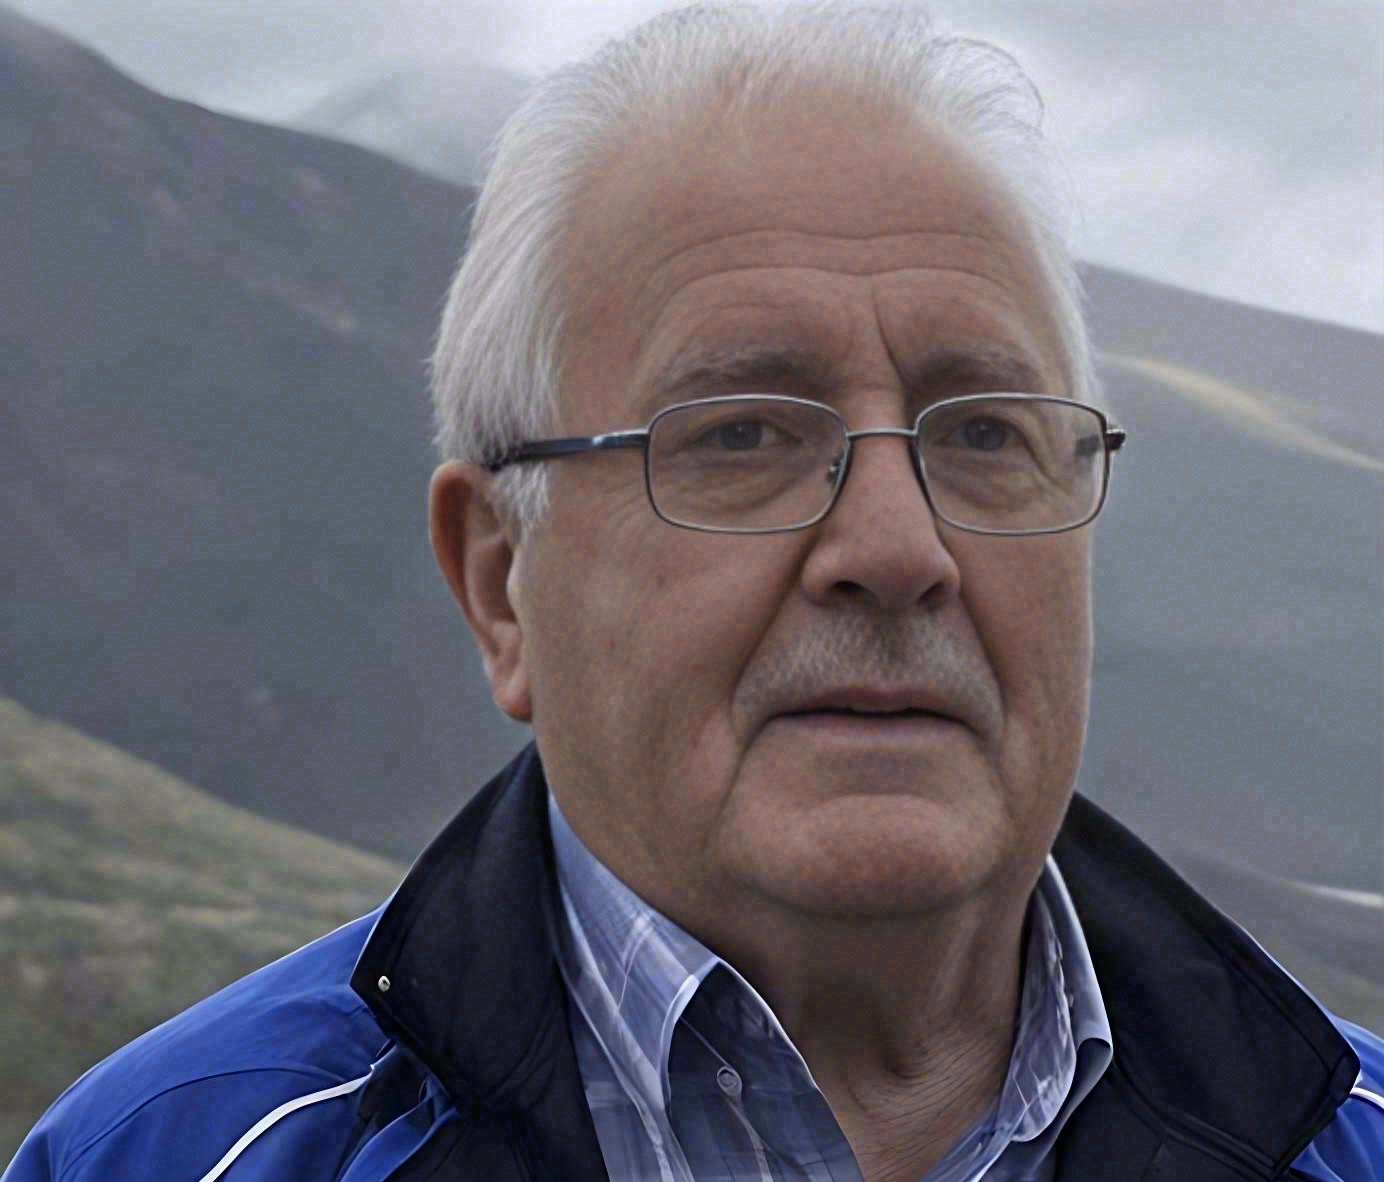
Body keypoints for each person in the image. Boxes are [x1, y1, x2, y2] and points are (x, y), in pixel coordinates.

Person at [7, 5, 1381, 1181]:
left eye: (982, 434)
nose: (899, 547)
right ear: (500, 583)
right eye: (741, 435)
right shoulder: (170, 1157)